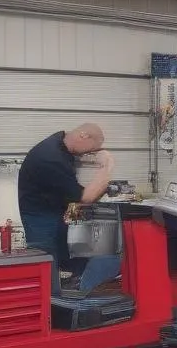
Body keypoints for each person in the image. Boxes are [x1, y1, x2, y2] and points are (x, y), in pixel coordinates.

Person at [17, 123, 114, 294]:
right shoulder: (51, 157)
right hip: (41, 218)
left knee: (82, 251)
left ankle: (77, 287)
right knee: (48, 271)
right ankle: (53, 310)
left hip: (60, 209)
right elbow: (84, 198)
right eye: (92, 150)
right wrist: (106, 167)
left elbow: (72, 195)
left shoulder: (61, 144)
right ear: (83, 136)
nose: (89, 154)